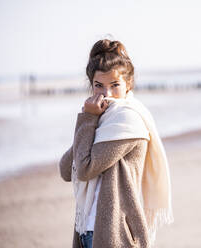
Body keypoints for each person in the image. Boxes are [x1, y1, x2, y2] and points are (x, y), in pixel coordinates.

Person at [58, 39, 174, 248]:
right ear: (91, 84)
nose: (106, 94)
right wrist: (90, 118)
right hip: (87, 230)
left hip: (113, 234)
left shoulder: (128, 120)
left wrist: (87, 119)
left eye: (115, 85)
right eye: (98, 86)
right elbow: (66, 169)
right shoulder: (102, 120)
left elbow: (83, 169)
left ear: (128, 84)